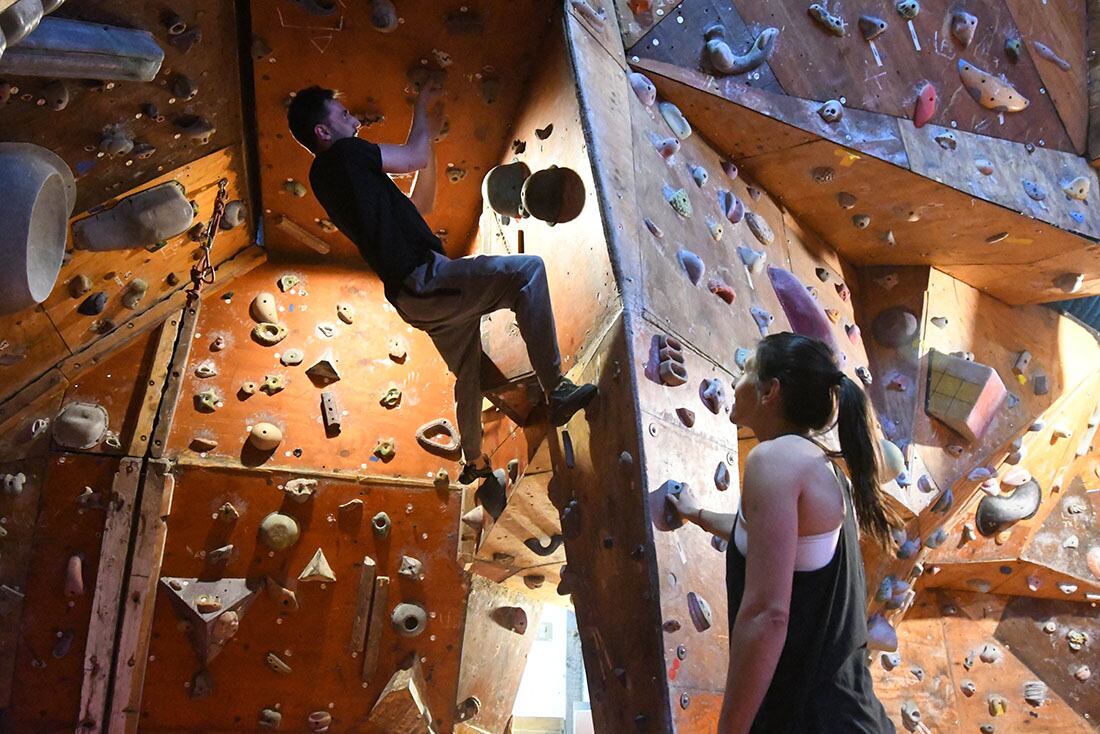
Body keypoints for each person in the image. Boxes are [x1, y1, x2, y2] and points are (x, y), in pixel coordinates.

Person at [286, 85, 597, 484]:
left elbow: (421, 204)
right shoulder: (344, 156)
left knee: (470, 372)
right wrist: (420, 107)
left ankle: (474, 461)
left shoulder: (344, 179)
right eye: (343, 114)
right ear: (323, 133)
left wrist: (428, 137)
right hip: (425, 281)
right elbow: (412, 156)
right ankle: (557, 390)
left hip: (419, 297)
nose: (355, 120)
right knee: (528, 271)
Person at [668, 333, 898, 733]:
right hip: (844, 717)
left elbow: (766, 615)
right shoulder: (815, 464)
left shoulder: (775, 458)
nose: (736, 380)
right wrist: (697, 513)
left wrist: (731, 730)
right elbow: (767, 542)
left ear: (769, 391)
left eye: (745, 371)